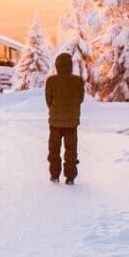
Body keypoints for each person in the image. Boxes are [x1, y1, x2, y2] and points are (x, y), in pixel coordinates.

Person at [45, 51, 84, 184]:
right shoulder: (78, 81)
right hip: (72, 123)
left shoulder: (51, 81)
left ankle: (54, 175)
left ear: (57, 65)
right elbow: (80, 99)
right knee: (71, 150)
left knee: (54, 150)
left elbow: (48, 101)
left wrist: (56, 110)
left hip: (55, 123)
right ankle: (70, 177)